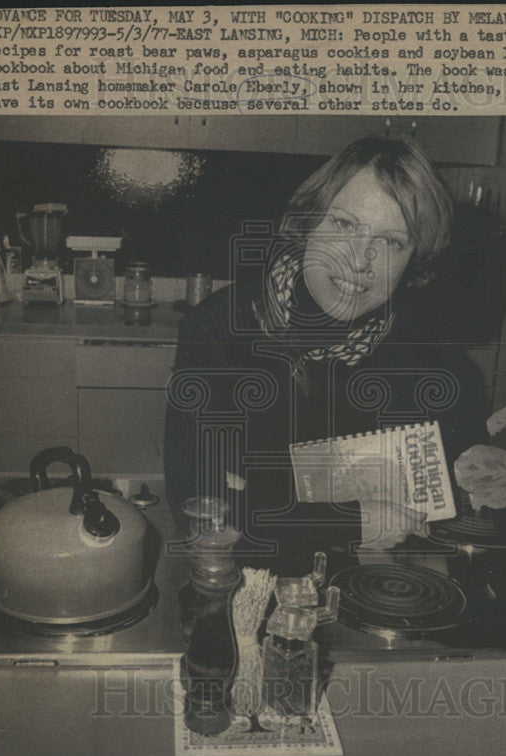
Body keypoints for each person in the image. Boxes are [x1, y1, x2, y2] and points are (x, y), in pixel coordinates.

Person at [164, 135, 488, 576]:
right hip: (249, 583)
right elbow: (199, 508)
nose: (359, 261)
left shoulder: (424, 354)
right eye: (344, 225)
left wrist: (266, 494)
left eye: (392, 242)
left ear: (414, 259)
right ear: (308, 224)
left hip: (363, 589)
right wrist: (357, 519)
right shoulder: (218, 330)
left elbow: (438, 502)